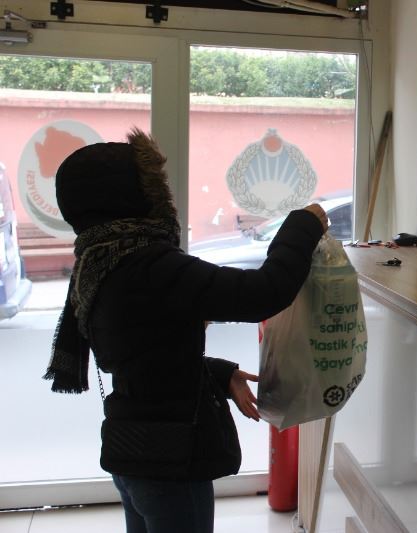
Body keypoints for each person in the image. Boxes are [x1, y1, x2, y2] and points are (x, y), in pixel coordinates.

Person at [43, 128, 328, 533]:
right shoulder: (152, 266)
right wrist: (303, 225)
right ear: (137, 195)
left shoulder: (98, 263)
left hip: (132, 456)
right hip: (170, 464)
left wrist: (219, 374)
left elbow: (144, 355)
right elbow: (262, 293)